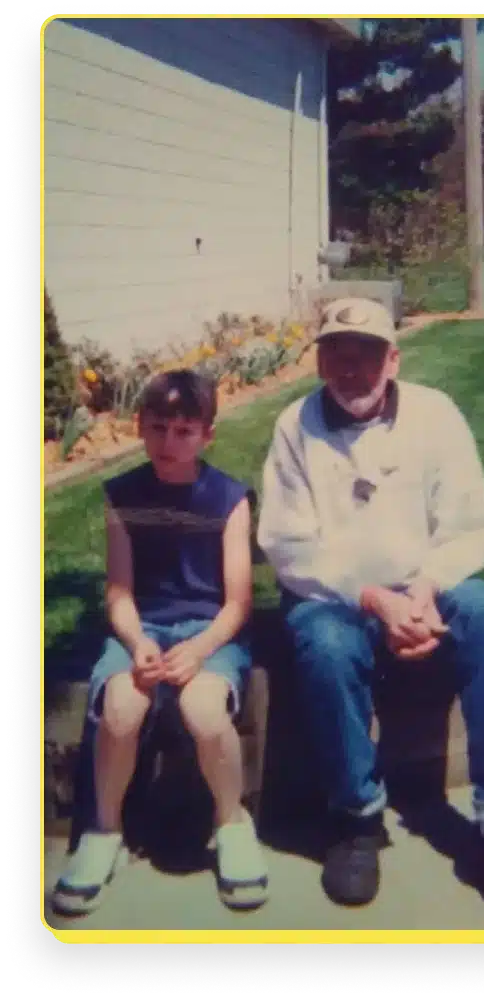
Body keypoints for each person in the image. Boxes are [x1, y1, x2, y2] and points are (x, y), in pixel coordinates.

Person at [256, 297, 484, 929]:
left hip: (427, 586)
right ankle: (357, 820)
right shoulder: (294, 426)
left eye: (367, 353)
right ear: (320, 358)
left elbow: (472, 524)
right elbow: (287, 546)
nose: (352, 367)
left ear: (394, 358)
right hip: (336, 597)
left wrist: (423, 590)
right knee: (325, 646)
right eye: (338, 351)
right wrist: (371, 598)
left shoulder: (434, 414)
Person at [51, 370, 267, 916]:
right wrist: (137, 640)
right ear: (139, 428)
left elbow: (238, 602)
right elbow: (119, 591)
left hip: (210, 632)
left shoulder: (229, 499)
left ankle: (232, 824)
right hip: (142, 630)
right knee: (121, 706)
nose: (170, 443)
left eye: (185, 430)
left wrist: (198, 651)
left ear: (206, 435)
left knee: (202, 706)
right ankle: (104, 832)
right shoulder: (122, 496)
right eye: (159, 428)